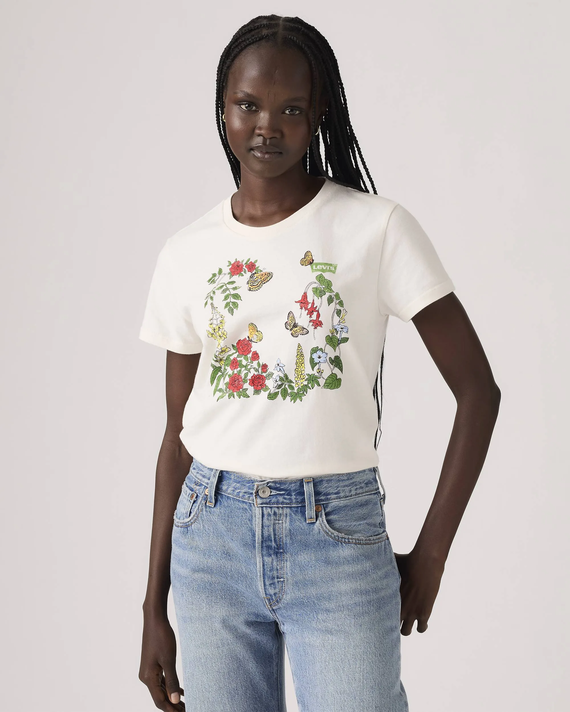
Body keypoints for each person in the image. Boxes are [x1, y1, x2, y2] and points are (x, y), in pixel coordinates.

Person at [137, 14, 501, 712]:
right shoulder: (186, 254)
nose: (266, 126)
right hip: (209, 540)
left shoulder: (376, 228)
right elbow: (176, 442)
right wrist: (153, 606)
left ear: (319, 114)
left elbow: (478, 393)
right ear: (222, 107)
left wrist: (432, 554)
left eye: (291, 109)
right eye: (248, 105)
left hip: (336, 533)